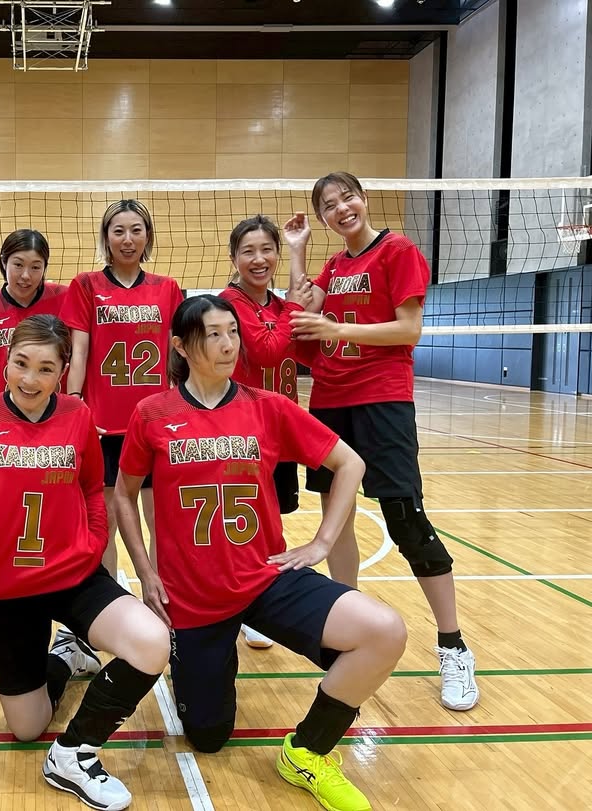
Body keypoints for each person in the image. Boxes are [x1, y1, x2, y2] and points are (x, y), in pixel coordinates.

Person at [114, 295, 406, 811]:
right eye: (213, 334)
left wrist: (321, 542)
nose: (228, 344)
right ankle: (205, 663)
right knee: (208, 736)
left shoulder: (266, 407)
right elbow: (123, 494)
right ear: (180, 346)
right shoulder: (152, 414)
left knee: (384, 632)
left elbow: (351, 464)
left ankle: (306, 751)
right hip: (193, 597)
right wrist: (145, 571)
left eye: (233, 332)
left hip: (265, 578)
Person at [0, 315, 170, 811]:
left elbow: (93, 486)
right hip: (5, 585)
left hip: (72, 575)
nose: (30, 379)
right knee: (27, 727)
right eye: (21, 364)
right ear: (5, 362)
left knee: (152, 641)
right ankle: (68, 657)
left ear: (63, 372)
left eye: (45, 369)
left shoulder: (77, 414)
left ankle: (73, 753)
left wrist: (93, 542)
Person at [289, 171, 479, 711]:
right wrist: (297, 250)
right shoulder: (334, 266)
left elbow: (408, 329)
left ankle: (453, 646)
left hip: (382, 399)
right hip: (331, 400)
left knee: (406, 519)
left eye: (347, 197)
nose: (341, 208)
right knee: (337, 518)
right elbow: (303, 311)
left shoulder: (397, 251)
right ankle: (346, 629)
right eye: (329, 205)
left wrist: (340, 331)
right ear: (323, 218)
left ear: (364, 199)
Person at [60, 199, 183, 576]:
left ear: (147, 237)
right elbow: (78, 352)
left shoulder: (167, 288)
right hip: (105, 426)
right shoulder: (86, 285)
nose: (127, 239)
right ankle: (109, 600)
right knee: (106, 523)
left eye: (136, 230)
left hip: (156, 423)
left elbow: (177, 354)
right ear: (106, 237)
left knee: (161, 522)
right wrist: (76, 405)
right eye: (119, 231)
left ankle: (161, 599)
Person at [218, 214, 317, 649]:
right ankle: (237, 602)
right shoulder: (230, 303)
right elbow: (266, 350)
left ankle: (258, 601)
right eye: (248, 251)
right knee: (243, 522)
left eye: (267, 250)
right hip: (242, 430)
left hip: (278, 430)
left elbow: (303, 349)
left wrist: (297, 249)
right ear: (234, 258)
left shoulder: (278, 306)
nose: (259, 259)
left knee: (270, 521)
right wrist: (295, 308)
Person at [0, 228, 69, 395]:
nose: (26, 275)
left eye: (35, 267)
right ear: (4, 262)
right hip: (6, 407)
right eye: (18, 265)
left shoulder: (65, 298)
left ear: (44, 267)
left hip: (57, 405)